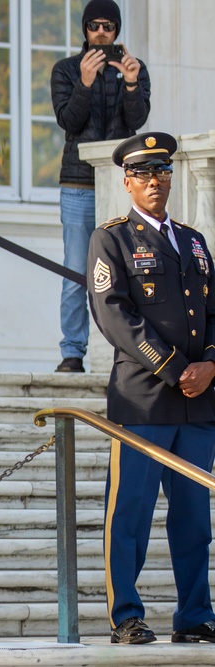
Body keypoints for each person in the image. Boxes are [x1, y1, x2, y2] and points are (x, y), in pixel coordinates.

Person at [87, 132, 215, 645]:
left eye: (161, 171)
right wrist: (173, 367)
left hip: (199, 402)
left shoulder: (195, 240)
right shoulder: (111, 238)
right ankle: (126, 616)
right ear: (126, 182)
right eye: (142, 173)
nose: (154, 181)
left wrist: (209, 363)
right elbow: (113, 314)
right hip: (143, 398)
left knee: (194, 518)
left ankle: (194, 615)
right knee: (130, 514)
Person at [51, 0, 150, 373]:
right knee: (77, 271)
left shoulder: (134, 71)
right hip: (78, 183)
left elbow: (137, 120)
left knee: (127, 271)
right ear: (84, 28)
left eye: (109, 25)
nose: (102, 31)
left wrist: (130, 83)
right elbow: (68, 121)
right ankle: (73, 352)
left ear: (117, 29)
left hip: (123, 184)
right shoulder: (65, 69)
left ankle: (127, 350)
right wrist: (85, 82)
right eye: (95, 24)